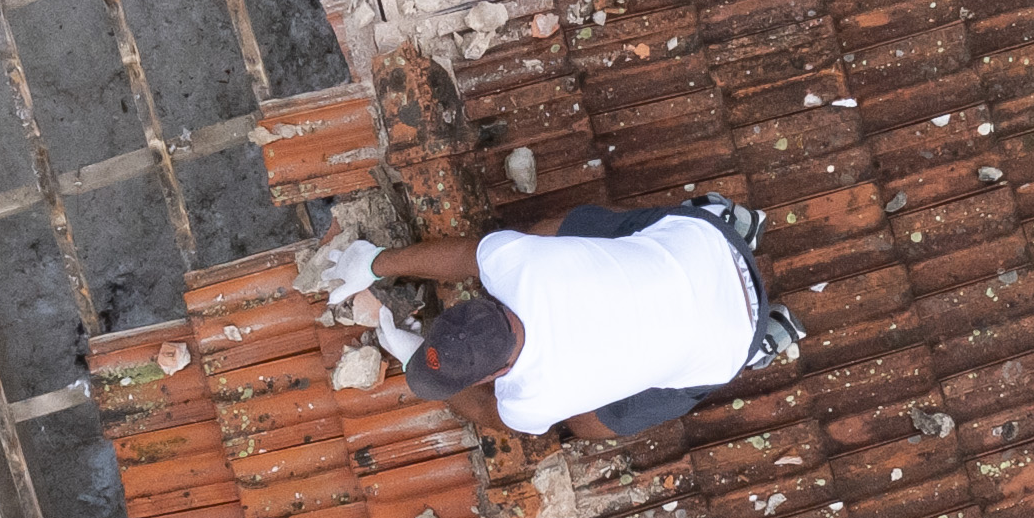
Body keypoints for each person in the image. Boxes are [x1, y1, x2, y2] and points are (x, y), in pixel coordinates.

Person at [337, 195, 801, 453]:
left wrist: (411, 359)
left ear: (493, 378)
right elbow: (466, 256)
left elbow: (490, 414)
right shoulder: (517, 265)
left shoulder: (532, 400)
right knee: (548, 235)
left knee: (586, 424)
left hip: (735, 338)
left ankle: (763, 341)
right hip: (709, 240)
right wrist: (375, 262)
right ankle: (730, 219)